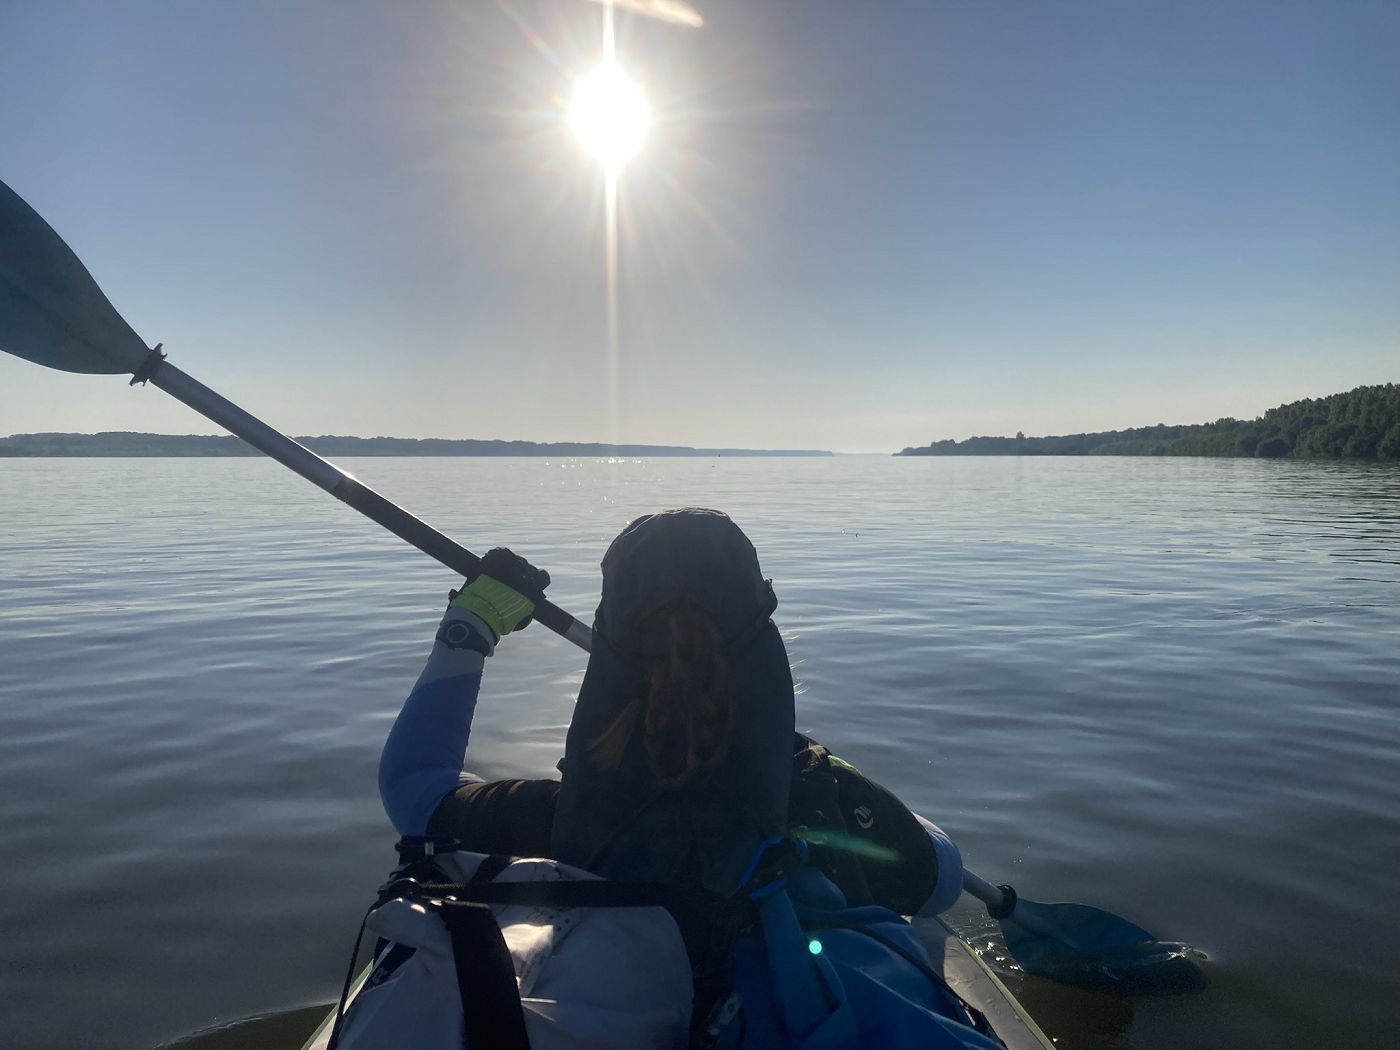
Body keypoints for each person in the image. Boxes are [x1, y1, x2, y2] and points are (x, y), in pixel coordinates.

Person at [376, 508, 983, 1047]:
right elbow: (943, 878)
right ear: (766, 648)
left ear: (607, 665)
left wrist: (472, 625)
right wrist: (828, 772)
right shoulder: (827, 807)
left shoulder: (553, 824)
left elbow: (414, 784)